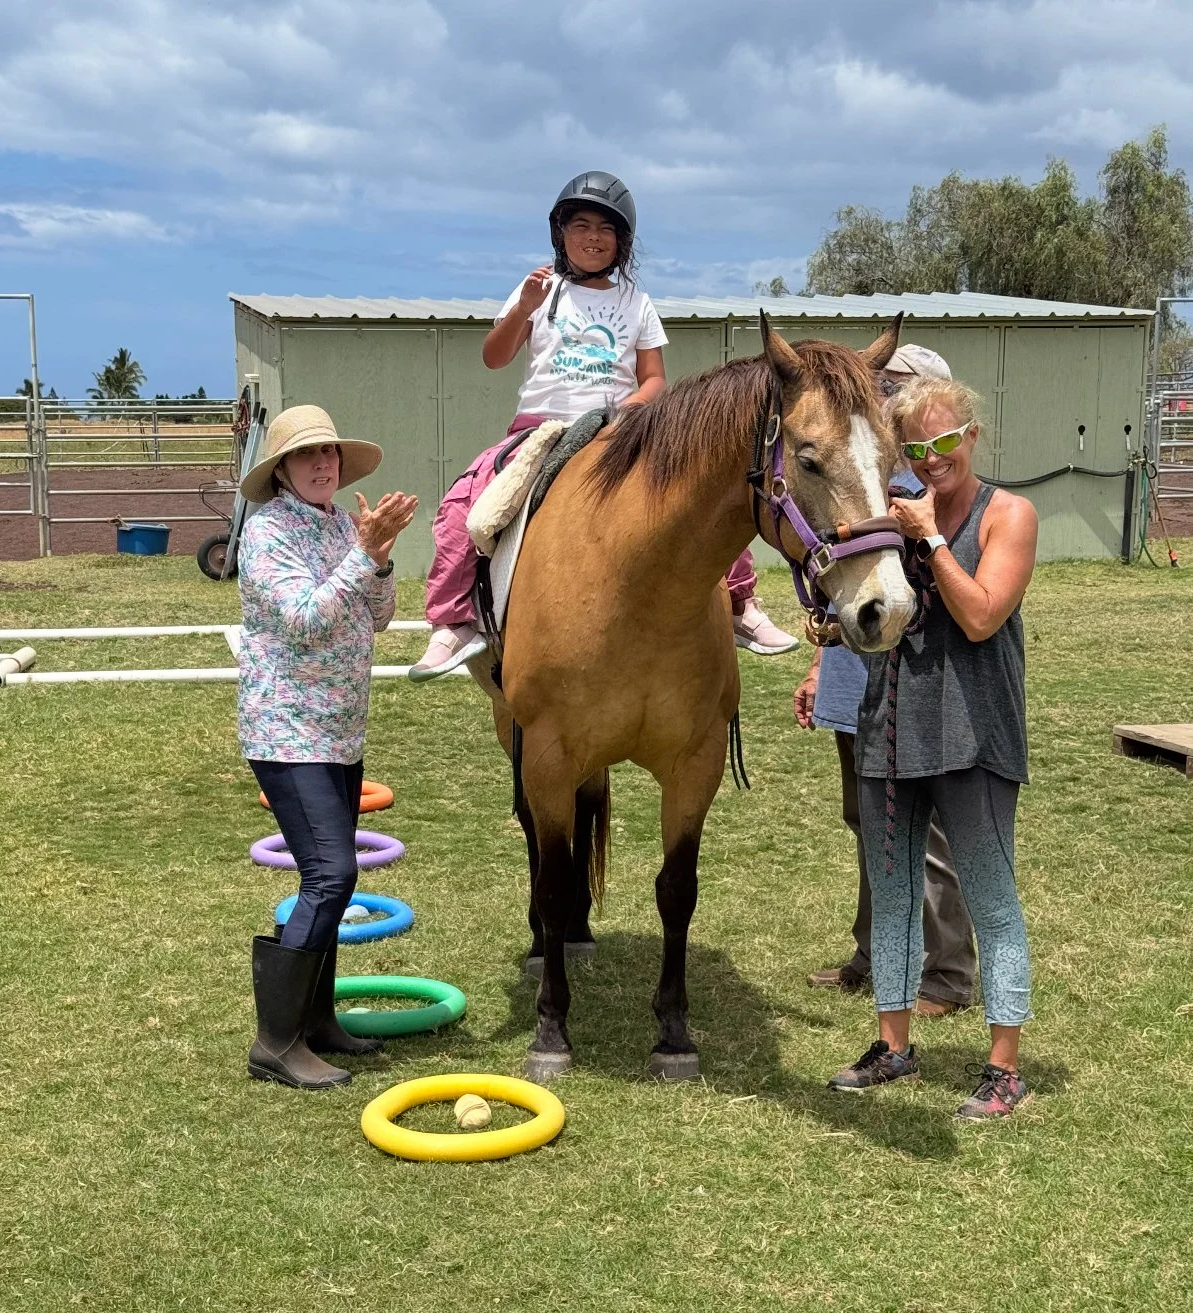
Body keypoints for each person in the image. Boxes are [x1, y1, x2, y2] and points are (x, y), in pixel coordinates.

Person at [409, 170, 796, 679]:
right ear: (561, 234)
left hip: (619, 429)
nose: (593, 238)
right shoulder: (538, 291)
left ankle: (741, 606)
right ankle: (454, 623)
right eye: (581, 225)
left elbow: (654, 378)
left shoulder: (636, 302)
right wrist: (523, 308)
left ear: (622, 242)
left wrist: (633, 409)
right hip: (540, 428)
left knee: (701, 494)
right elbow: (494, 357)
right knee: (467, 503)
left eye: (605, 229)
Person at [827, 377, 1038, 1119]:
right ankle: (894, 1046)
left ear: (973, 435)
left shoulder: (1008, 514)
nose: (931, 459)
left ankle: (1004, 1067)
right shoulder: (892, 513)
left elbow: (980, 614)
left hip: (973, 734)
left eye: (944, 442)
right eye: (915, 448)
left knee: (990, 898)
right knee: (893, 901)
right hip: (890, 729)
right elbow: (862, 599)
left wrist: (932, 537)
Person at [236, 405, 417, 1089]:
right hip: (288, 731)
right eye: (307, 455)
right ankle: (275, 1041)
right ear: (280, 469)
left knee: (334, 883)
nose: (322, 464)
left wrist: (380, 557)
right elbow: (307, 620)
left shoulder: (344, 523)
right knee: (331, 874)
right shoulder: (266, 534)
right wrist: (362, 557)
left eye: (330, 454)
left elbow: (378, 614)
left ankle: (314, 1023)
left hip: (339, 732)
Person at [796, 344, 976, 1016]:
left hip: (914, 688)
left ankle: (948, 973)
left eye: (898, 391)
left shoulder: (930, 498)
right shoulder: (865, 481)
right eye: (882, 390)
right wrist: (821, 664)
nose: (887, 402)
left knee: (925, 832)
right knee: (868, 820)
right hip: (855, 682)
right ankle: (873, 952)